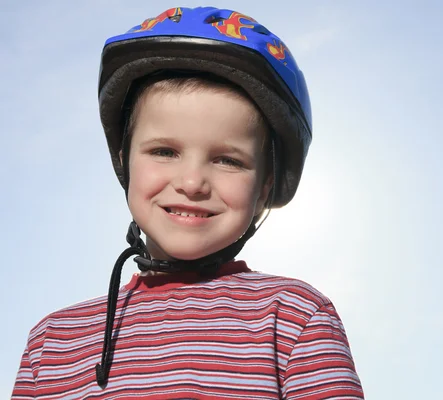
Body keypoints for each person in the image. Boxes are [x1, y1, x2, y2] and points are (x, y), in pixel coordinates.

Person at [12, 6, 363, 399]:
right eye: (164, 151)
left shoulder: (294, 317)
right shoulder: (52, 342)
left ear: (264, 186)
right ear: (126, 161)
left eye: (228, 160)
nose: (192, 182)